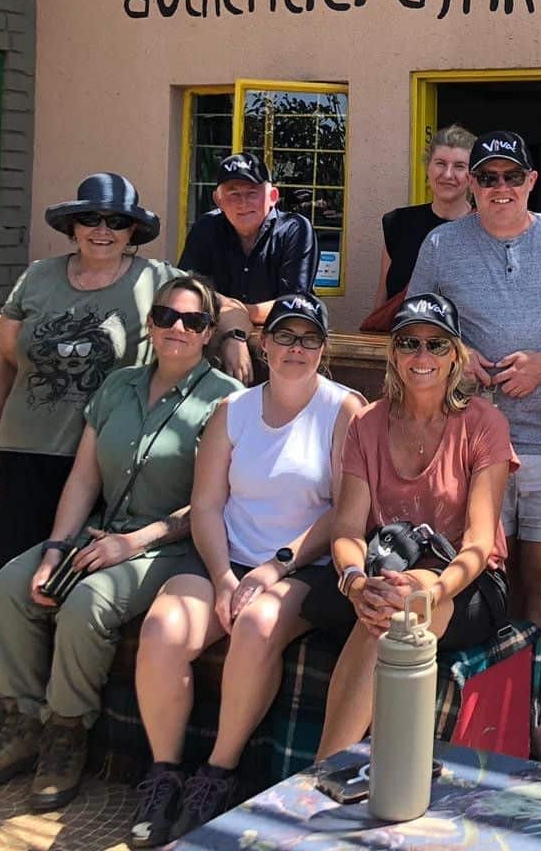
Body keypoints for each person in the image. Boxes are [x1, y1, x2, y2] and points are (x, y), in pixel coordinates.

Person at [0, 276, 242, 811]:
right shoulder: (117, 385)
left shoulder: (226, 400)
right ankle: (20, 720)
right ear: (150, 324)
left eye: (193, 321)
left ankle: (66, 732)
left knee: (88, 602)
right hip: (100, 532)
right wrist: (57, 548)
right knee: (11, 585)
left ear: (208, 333)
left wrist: (133, 544)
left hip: (173, 545)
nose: (178, 328)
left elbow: (210, 502)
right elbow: (84, 479)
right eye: (167, 317)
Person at [128, 294, 365, 846]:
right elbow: (206, 504)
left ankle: (218, 772)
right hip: (225, 558)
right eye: (284, 335)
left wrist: (276, 567)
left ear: (323, 349)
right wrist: (222, 577)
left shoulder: (344, 409)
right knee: (163, 628)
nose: (295, 348)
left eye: (308, 338)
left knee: (257, 625)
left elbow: (344, 511)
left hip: (305, 565)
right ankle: (164, 774)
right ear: (263, 343)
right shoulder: (232, 411)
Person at [405, 130, 541, 766]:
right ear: (474, 185)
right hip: (472, 444)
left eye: (512, 175)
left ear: (533, 181)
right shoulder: (440, 244)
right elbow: (417, 328)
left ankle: (536, 722)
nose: (500, 187)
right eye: (488, 178)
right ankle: (481, 721)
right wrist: (458, 365)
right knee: (480, 578)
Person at [0, 173, 246, 572]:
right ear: (73, 226)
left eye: (116, 221)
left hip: (103, 459)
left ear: (132, 230)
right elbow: (1, 356)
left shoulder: (156, 279)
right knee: (13, 573)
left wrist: (234, 338)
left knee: (74, 576)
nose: (103, 230)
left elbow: (227, 307)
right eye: (91, 219)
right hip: (26, 449)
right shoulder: (37, 277)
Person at [316, 293, 518, 759]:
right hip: (382, 571)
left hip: (465, 582)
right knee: (389, 611)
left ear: (455, 355)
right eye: (409, 343)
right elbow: (346, 527)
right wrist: (354, 581)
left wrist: (430, 592)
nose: (422, 356)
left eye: (436, 344)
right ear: (393, 352)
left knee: (399, 613)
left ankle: (322, 772)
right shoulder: (367, 423)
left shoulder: (485, 424)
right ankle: (337, 773)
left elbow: (479, 542)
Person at [179, 152, 320, 382]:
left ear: (273, 196)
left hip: (285, 350)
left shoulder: (296, 229)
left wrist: (234, 313)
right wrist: (233, 324)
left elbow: (293, 303)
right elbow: (187, 291)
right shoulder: (206, 228)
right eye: (233, 194)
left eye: (252, 193)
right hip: (214, 346)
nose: (243, 203)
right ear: (218, 199)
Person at [376, 125, 476, 307]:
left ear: (472, 176)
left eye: (459, 166)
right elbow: (383, 301)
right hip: (400, 333)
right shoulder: (398, 223)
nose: (448, 174)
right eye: (440, 164)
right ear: (428, 168)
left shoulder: (484, 228)